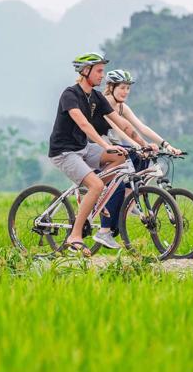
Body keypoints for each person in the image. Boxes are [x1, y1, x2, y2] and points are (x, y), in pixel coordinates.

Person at [48, 52, 156, 256]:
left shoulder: (96, 96)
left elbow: (121, 122)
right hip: (64, 151)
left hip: (84, 148)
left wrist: (143, 144)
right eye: (98, 71)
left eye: (102, 71)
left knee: (123, 156)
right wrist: (105, 146)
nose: (102, 75)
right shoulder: (70, 94)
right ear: (85, 71)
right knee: (96, 184)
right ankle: (75, 236)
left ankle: (97, 196)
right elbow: (83, 124)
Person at [98, 69, 182, 234]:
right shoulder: (105, 103)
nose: (126, 92)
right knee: (135, 153)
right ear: (112, 87)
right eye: (122, 87)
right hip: (99, 146)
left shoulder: (122, 107)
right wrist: (137, 146)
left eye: (128, 88)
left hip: (116, 146)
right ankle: (121, 206)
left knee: (143, 159)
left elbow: (141, 127)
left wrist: (167, 145)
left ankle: (130, 199)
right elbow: (120, 130)